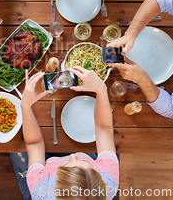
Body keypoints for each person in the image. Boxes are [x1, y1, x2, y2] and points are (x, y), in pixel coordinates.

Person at [11, 69, 119, 200]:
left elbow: (34, 144)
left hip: (38, 179)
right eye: (84, 161)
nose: (73, 155)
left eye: (66, 165)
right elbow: (104, 127)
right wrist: (101, 89)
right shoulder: (108, 180)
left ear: (55, 185)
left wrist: (25, 106)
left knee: (14, 144)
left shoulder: (41, 189)